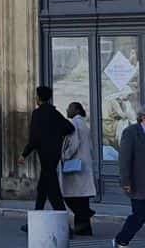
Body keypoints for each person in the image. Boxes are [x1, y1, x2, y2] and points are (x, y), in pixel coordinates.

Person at [19, 84, 74, 228]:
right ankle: (33, 222)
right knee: (42, 189)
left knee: (53, 191)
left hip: (44, 155)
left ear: (38, 98)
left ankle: (65, 226)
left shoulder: (37, 114)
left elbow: (34, 138)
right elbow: (69, 128)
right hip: (54, 154)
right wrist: (55, 136)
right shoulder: (54, 113)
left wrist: (24, 154)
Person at [58, 101, 95, 236]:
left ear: (76, 110)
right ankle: (84, 227)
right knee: (82, 198)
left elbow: (73, 143)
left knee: (70, 196)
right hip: (84, 163)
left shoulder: (74, 123)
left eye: (69, 108)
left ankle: (85, 215)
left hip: (75, 165)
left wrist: (64, 156)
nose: (67, 110)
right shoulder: (83, 124)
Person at [114, 107, 145, 247]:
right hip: (138, 183)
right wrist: (125, 181)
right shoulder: (131, 132)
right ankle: (121, 240)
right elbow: (124, 159)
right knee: (139, 215)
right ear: (143, 117)